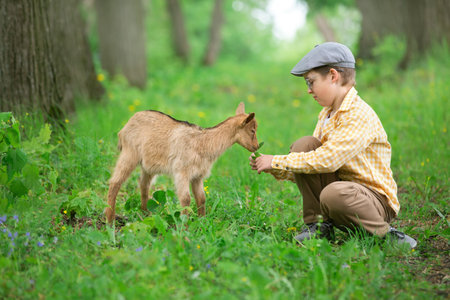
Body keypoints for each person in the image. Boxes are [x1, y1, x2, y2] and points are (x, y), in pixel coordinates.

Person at [249, 42, 417, 249]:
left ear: (333, 76)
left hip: (371, 202)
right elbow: (311, 168)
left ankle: (385, 234)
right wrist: (273, 166)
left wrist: (277, 161)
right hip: (340, 191)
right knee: (306, 145)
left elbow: (327, 160)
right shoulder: (328, 114)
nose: (309, 90)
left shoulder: (358, 114)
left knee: (334, 192)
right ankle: (318, 227)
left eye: (311, 82)